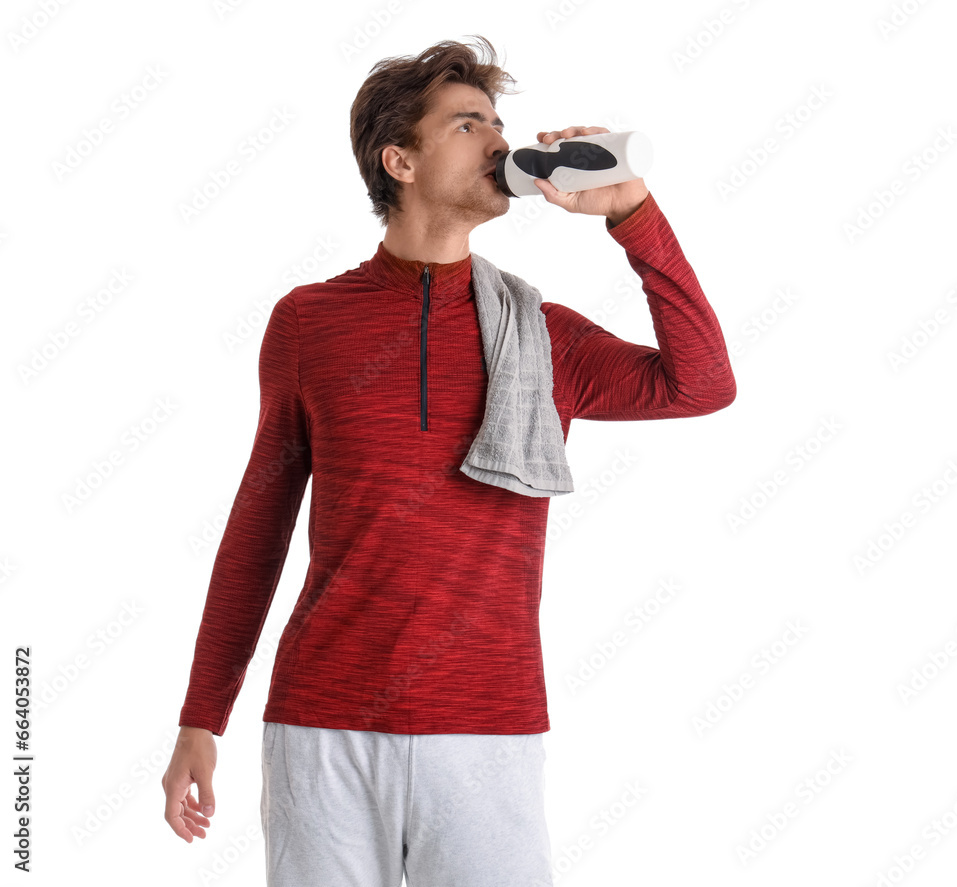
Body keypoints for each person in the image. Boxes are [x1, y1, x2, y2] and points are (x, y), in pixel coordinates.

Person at [162, 34, 736, 886]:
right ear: (399, 158)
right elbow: (257, 529)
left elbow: (702, 383)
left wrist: (633, 215)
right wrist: (200, 719)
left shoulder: (545, 338)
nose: (502, 142)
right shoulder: (309, 324)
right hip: (322, 726)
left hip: (488, 732)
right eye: (470, 124)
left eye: (500, 122)